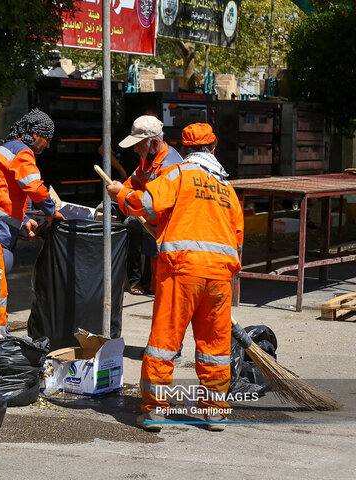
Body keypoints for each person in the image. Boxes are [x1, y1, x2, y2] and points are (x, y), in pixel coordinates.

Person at [106, 123, 243, 432]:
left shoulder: (178, 175)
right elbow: (237, 239)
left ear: (186, 147)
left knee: (164, 342)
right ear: (214, 147)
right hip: (220, 277)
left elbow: (146, 205)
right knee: (215, 346)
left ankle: (155, 411)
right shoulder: (227, 190)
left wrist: (120, 194)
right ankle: (215, 412)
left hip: (182, 272)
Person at [0, 108, 64, 337]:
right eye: (46, 139)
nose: (47, 145)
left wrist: (24, 222)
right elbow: (32, 184)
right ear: (34, 134)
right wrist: (51, 212)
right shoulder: (22, 152)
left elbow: (0, 197)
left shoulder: (6, 150)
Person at [117, 115, 183, 295]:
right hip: (154, 229)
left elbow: (154, 205)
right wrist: (119, 192)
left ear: (154, 142)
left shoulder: (170, 166)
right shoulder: (149, 159)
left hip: (166, 233)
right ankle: (144, 283)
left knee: (163, 290)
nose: (135, 148)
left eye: (139, 144)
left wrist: (123, 195)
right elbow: (135, 181)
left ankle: (146, 284)